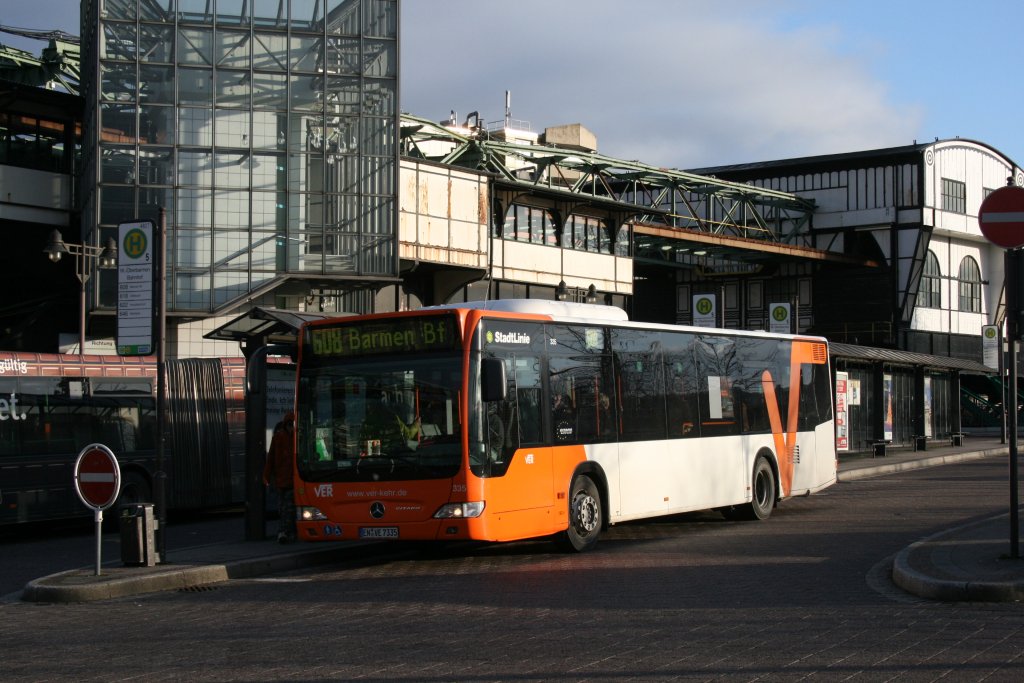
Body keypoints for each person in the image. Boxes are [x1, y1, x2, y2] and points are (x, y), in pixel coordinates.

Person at [263, 411, 297, 543]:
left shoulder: (279, 437)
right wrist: (266, 475)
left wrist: (267, 475)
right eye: (289, 425)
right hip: (284, 480)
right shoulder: (284, 438)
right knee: (286, 508)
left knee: (286, 508)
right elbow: (271, 458)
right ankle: (288, 532)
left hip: (285, 480)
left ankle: (283, 532)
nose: (291, 427)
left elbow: (270, 458)